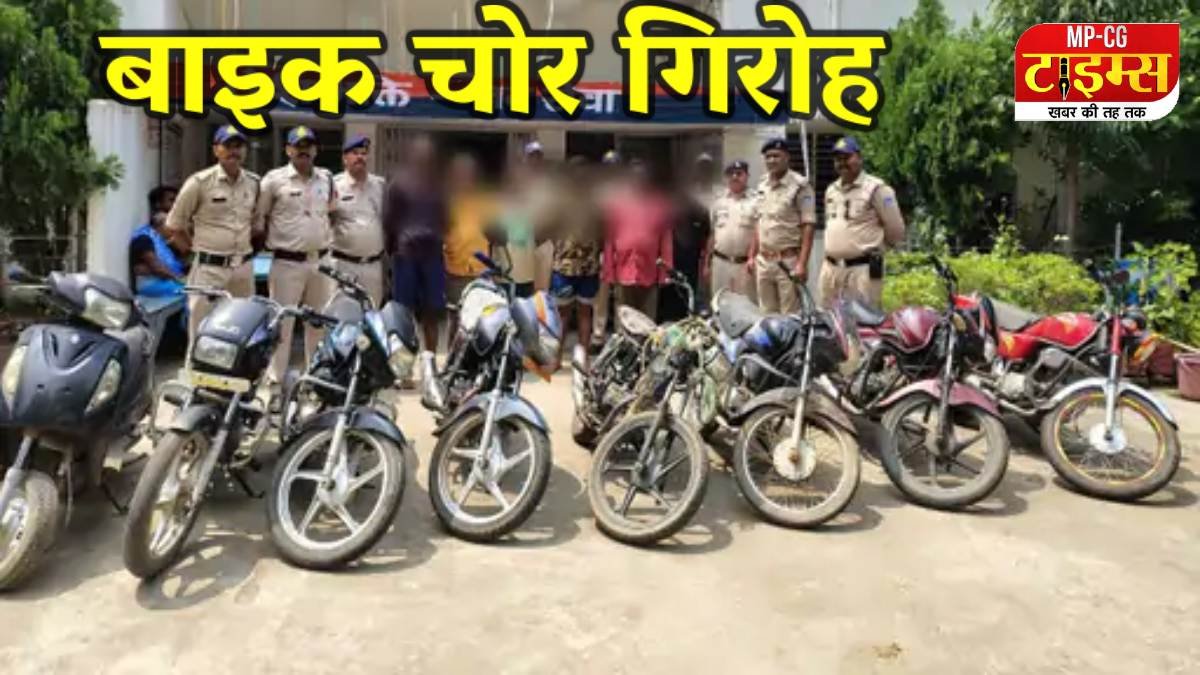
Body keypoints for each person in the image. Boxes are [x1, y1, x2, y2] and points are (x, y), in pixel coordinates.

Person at [255, 125, 336, 390]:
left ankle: (316, 378)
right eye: (298, 146)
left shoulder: (326, 179)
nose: (304, 151)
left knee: (318, 323)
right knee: (282, 322)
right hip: (286, 262)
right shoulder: (273, 180)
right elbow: (259, 218)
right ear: (288, 150)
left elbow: (331, 213)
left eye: (308, 146)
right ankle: (275, 379)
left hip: (320, 263)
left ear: (315, 150)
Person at [164, 125, 258, 347]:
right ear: (216, 150)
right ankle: (195, 369)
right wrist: (194, 252)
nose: (234, 151)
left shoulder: (254, 183)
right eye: (228, 146)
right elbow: (174, 225)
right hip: (209, 269)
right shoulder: (199, 182)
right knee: (201, 332)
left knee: (241, 331)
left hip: (243, 269)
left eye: (238, 146)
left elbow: (255, 221)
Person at [819, 135, 906, 310]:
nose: (842, 163)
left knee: (864, 320)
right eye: (838, 159)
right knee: (828, 321)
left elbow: (896, 231)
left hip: (862, 271)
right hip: (831, 269)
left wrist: (874, 249)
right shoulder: (831, 190)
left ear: (859, 158)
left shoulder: (877, 189)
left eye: (847, 157)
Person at [383, 134, 449, 356]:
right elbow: (389, 221)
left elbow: (446, 219)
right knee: (404, 314)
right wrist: (392, 252)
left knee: (432, 314)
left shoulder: (439, 185)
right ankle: (404, 363)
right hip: (406, 256)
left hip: (432, 256)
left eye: (427, 154)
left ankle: (430, 361)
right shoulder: (398, 183)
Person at [601, 159, 674, 325]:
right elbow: (609, 240)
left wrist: (665, 272)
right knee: (624, 321)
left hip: (649, 271)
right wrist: (608, 271)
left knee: (647, 322)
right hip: (623, 270)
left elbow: (666, 240)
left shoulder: (658, 204)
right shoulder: (617, 203)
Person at [747, 137, 816, 314]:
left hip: (788, 261)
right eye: (768, 157)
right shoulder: (762, 185)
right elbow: (760, 222)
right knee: (766, 315)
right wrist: (752, 255)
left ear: (787, 157)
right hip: (764, 261)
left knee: (789, 317)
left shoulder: (800, 186)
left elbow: (808, 225)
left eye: (776, 156)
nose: (772, 160)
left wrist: (802, 264)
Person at [550, 156, 604, 366]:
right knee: (573, 314)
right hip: (572, 265)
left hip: (576, 266)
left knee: (575, 314)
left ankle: (571, 359)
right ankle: (570, 359)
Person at [331, 134, 387, 306]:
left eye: (363, 153)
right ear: (345, 158)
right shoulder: (333, 185)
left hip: (373, 265)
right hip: (343, 264)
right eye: (355, 153)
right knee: (341, 314)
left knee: (372, 313)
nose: (360, 157)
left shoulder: (380, 185)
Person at [660, 154, 713, 321]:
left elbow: (707, 234)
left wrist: (706, 261)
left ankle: (685, 320)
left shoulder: (701, 208)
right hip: (669, 260)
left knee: (688, 295)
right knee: (669, 296)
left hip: (691, 261)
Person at [443, 152, 495, 325]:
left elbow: (495, 232)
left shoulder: (484, 200)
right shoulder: (447, 201)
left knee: (480, 321)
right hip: (456, 272)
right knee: (457, 320)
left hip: (481, 272)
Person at [707, 160, 758, 302]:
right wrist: (707, 263)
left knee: (746, 305)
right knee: (719, 303)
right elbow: (713, 234)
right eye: (731, 174)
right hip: (720, 263)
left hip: (745, 265)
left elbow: (758, 233)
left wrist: (753, 257)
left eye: (739, 173)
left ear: (747, 176)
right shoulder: (718, 201)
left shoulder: (756, 201)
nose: (735, 177)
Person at [130, 185, 186, 297]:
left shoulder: (163, 242)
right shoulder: (144, 237)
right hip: (154, 285)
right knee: (194, 294)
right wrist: (179, 279)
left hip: (168, 282)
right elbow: (156, 268)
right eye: (171, 200)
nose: (175, 205)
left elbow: (183, 257)